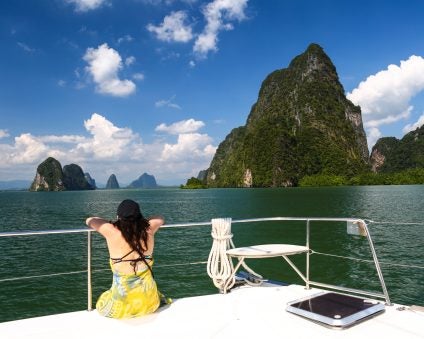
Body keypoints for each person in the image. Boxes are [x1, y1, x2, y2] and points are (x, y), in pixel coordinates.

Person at [86, 199, 170, 319]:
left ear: (119, 217)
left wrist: (111, 222)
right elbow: (160, 218)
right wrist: (143, 221)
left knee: (104, 300)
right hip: (149, 302)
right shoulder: (148, 230)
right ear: (139, 216)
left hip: (123, 304)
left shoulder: (111, 231)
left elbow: (90, 220)